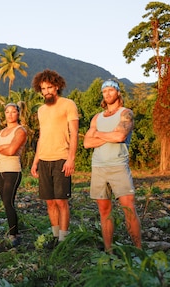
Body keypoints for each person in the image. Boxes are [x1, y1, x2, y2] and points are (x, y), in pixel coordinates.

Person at [84, 79, 142, 252]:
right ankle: (108, 251)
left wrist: (98, 135)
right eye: (104, 91)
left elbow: (120, 137)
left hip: (118, 166)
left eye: (111, 90)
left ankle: (139, 250)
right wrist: (109, 134)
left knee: (128, 208)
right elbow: (87, 143)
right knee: (104, 210)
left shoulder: (126, 113)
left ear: (118, 92)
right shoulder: (97, 117)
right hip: (99, 168)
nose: (107, 94)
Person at [30, 69, 79, 246]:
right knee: (50, 202)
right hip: (44, 159)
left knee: (61, 201)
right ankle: (55, 236)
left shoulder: (68, 104)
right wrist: (35, 161)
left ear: (57, 86)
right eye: (43, 89)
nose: (46, 92)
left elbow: (74, 133)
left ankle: (64, 240)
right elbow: (42, 136)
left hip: (61, 158)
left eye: (49, 87)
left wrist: (71, 158)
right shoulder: (41, 110)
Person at [0, 103, 27, 247]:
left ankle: (14, 234)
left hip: (13, 170)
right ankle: (13, 229)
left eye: (13, 112)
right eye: (7, 112)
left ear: (18, 114)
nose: (10, 114)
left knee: (8, 202)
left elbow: (12, 151)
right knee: (5, 202)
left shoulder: (20, 131)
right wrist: (6, 146)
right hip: (0, 171)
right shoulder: (1, 132)